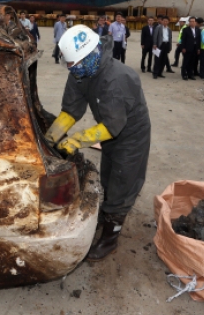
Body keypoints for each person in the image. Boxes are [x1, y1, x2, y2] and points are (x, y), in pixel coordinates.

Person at [46, 25, 150, 261]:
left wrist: (76, 141)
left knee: (122, 182)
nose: (71, 69)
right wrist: (49, 140)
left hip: (130, 136)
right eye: (68, 65)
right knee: (108, 175)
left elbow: (113, 126)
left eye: (74, 64)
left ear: (90, 55)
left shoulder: (119, 79)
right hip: (107, 130)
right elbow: (71, 111)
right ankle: (108, 212)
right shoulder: (80, 71)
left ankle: (110, 237)